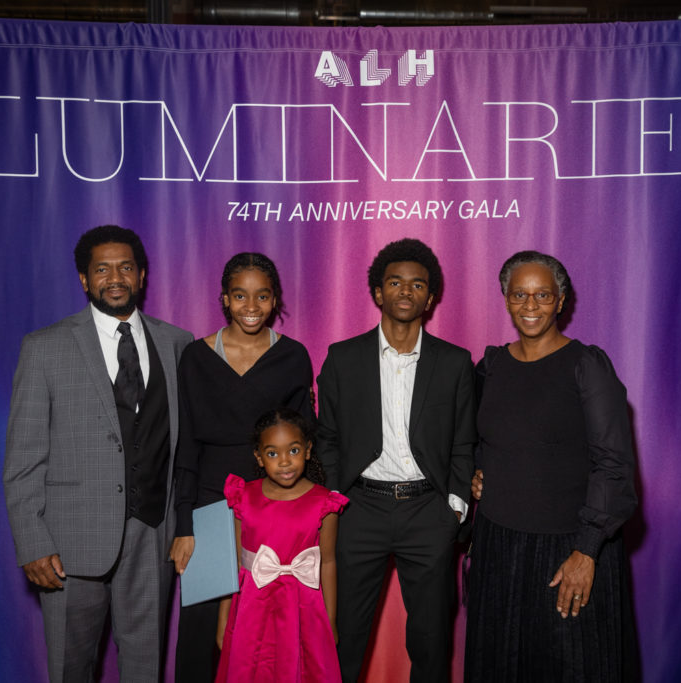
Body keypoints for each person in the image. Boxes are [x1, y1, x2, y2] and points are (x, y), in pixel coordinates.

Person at [3, 225, 194, 682]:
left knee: (145, 669)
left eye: (125, 267)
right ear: (85, 280)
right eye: (102, 269)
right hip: (70, 544)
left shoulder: (177, 344)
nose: (115, 277)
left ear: (142, 275)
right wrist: (33, 541)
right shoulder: (45, 347)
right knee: (71, 668)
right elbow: (23, 458)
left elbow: (186, 446)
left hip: (152, 537)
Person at [465, 250, 639, 682]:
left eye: (542, 295)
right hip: (499, 547)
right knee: (501, 666)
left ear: (560, 301)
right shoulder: (490, 366)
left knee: (570, 667)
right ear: (505, 298)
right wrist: (476, 469)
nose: (530, 306)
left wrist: (587, 550)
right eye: (519, 294)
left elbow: (614, 463)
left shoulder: (586, 366)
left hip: (567, 549)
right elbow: (476, 436)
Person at [316, 237, 476, 683]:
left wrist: (454, 508)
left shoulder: (455, 363)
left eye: (418, 284)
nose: (406, 291)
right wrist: (334, 499)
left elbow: (464, 443)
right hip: (359, 509)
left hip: (429, 512)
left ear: (431, 297)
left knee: (430, 641)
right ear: (377, 292)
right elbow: (325, 436)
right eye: (395, 282)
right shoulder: (342, 358)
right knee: (344, 633)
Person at [170, 252, 315, 680]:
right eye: (240, 295)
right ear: (225, 299)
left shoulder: (293, 357)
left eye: (262, 296)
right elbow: (187, 445)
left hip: (272, 509)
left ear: (275, 301)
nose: (251, 306)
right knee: (201, 630)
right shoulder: (196, 358)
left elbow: (305, 444)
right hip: (212, 508)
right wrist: (184, 525)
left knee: (264, 631)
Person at [216, 408, 348, 682]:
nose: (285, 462)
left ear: (308, 451)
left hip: (304, 609)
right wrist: (224, 619)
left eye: (294, 451)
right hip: (252, 606)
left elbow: (329, 562)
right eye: (273, 453)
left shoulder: (325, 503)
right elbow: (235, 562)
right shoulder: (243, 497)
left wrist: (331, 621)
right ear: (259, 457)